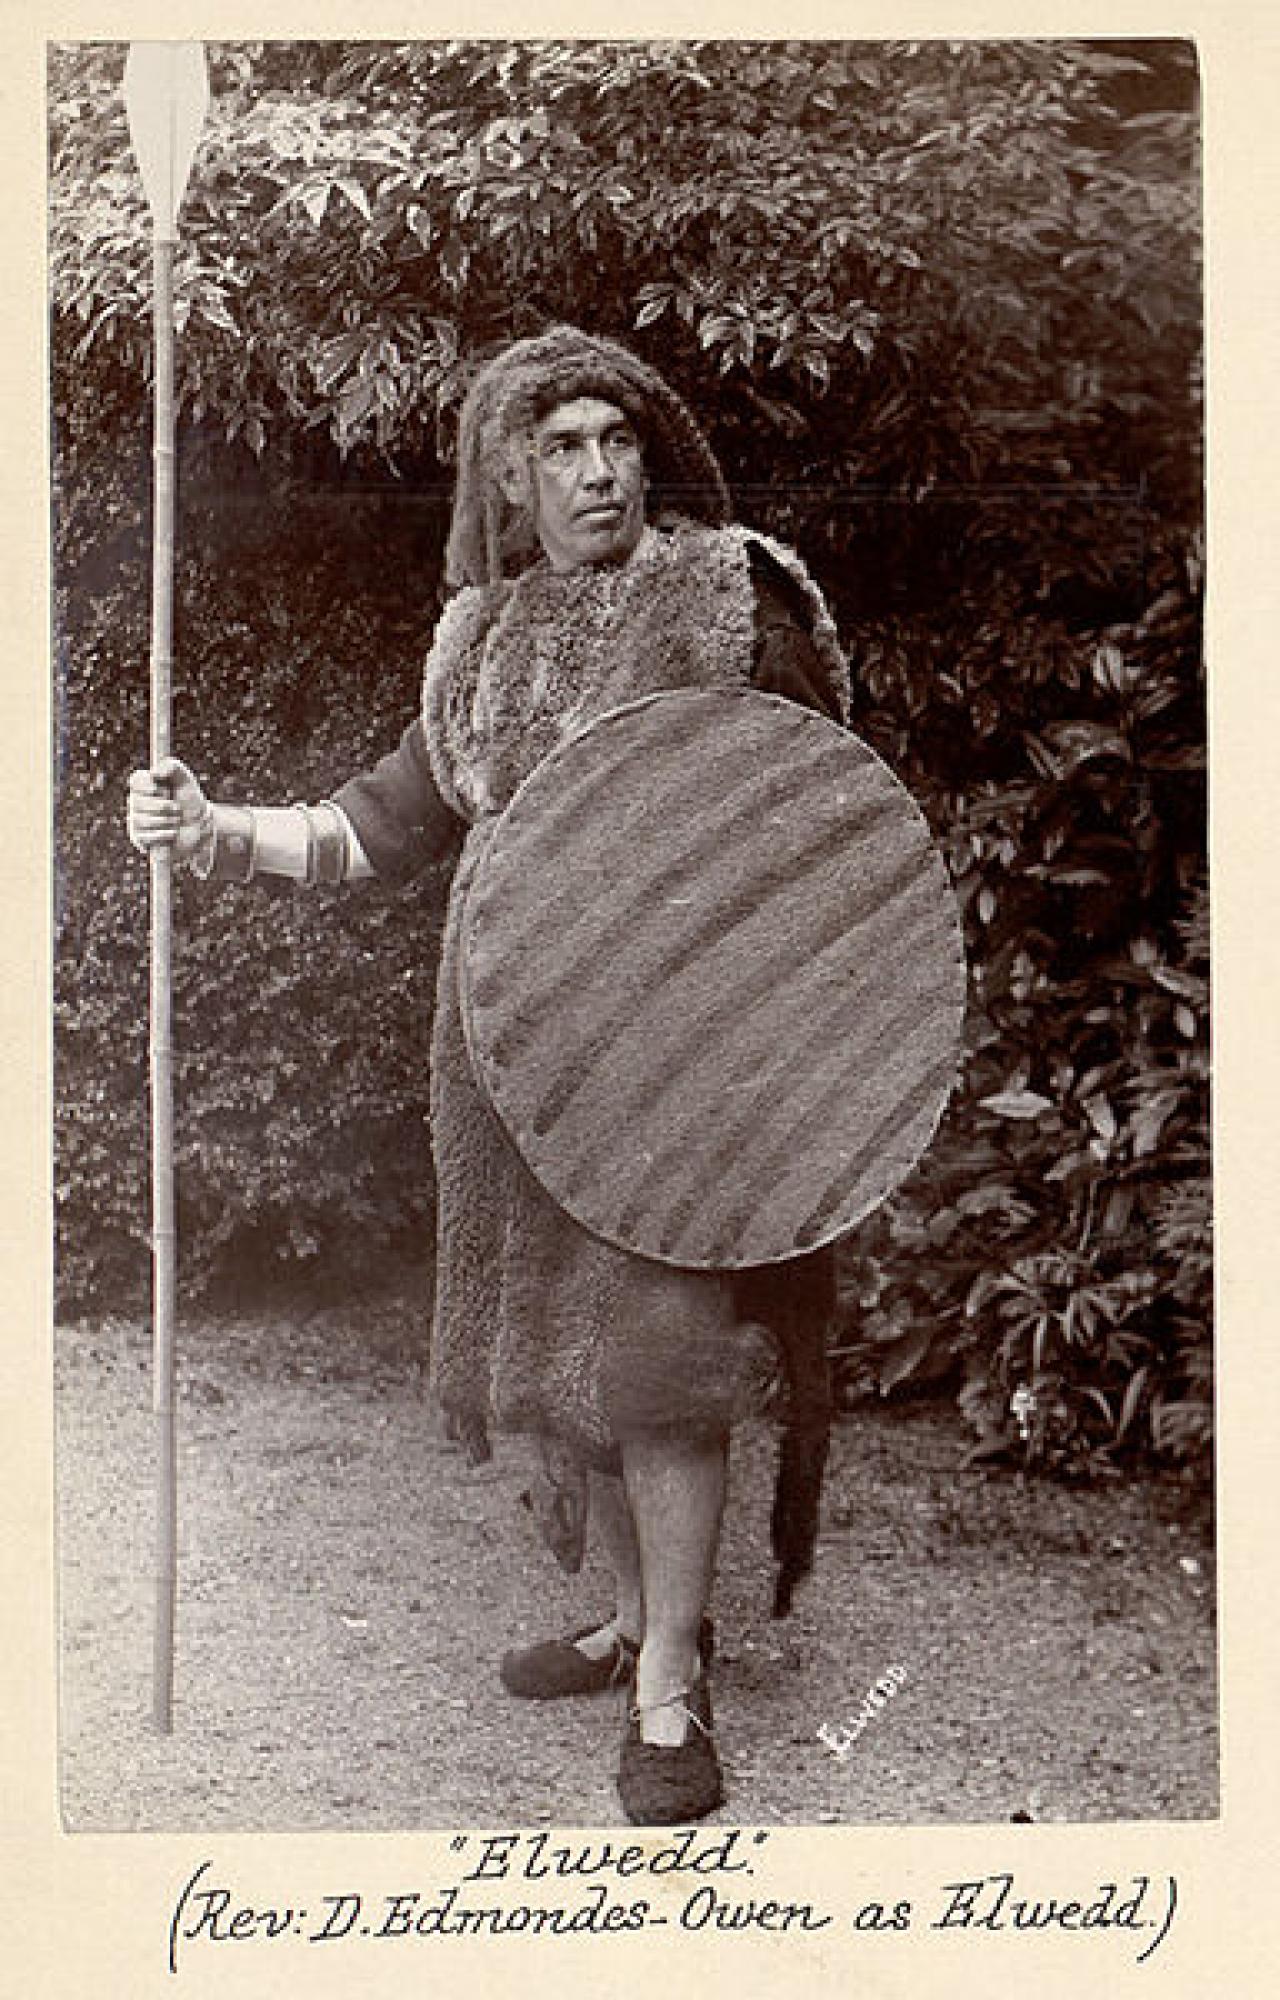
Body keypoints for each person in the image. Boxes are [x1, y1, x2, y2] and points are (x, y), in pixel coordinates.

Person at [127, 325, 851, 1824]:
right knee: (567, 1349)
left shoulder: (729, 601)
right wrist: (212, 831)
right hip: (521, 1072)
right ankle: (637, 1619)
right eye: (561, 448)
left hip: (678, 1065)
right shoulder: (485, 644)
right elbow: (376, 827)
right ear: (511, 480)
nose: (597, 472)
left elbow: (822, 825)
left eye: (617, 440)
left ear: (649, 453)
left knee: (661, 1356)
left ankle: (672, 1685)